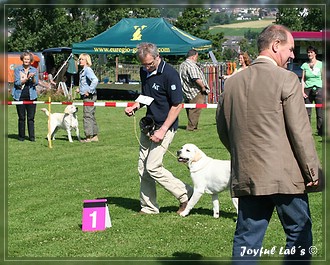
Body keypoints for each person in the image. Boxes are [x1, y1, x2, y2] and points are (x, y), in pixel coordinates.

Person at [216, 25, 322, 264]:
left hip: (247, 174)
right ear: (275, 46)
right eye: (290, 49)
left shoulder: (231, 84)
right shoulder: (287, 79)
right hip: (285, 177)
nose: (293, 55)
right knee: (299, 233)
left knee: (246, 239)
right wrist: (312, 171)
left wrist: (243, 155)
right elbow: (300, 131)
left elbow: (224, 130)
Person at [124, 42, 192, 215]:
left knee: (153, 166)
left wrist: (162, 130)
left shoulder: (170, 74)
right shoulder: (144, 71)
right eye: (143, 64)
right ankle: (149, 207)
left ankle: (186, 194)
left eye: (149, 64)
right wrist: (135, 106)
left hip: (165, 126)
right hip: (149, 124)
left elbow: (177, 105)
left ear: (157, 56)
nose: (146, 68)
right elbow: (147, 95)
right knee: (142, 167)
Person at [179, 49, 210, 131]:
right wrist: (203, 87)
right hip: (195, 91)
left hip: (186, 91)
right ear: (193, 56)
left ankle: (193, 126)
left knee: (190, 109)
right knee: (195, 110)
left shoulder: (183, 64)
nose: (197, 58)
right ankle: (191, 127)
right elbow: (195, 78)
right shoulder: (191, 65)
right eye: (197, 56)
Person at [12, 51, 39, 141]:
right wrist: (26, 79)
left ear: (30, 60)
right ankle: (21, 137)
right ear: (22, 60)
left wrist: (33, 78)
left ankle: (32, 137)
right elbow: (17, 83)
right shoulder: (17, 70)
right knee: (21, 117)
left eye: (28, 59)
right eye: (25, 59)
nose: (26, 60)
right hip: (20, 96)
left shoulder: (34, 70)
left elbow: (36, 83)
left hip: (32, 96)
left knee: (31, 118)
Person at [76, 53, 99, 142]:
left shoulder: (87, 70)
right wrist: (80, 89)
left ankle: (88, 136)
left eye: (82, 59)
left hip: (89, 96)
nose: (80, 61)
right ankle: (94, 135)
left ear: (86, 60)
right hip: (89, 96)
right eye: (80, 59)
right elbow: (85, 83)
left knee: (87, 115)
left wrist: (89, 90)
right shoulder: (83, 70)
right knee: (91, 115)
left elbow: (95, 80)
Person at [301, 45, 323, 136]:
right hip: (307, 89)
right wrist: (302, 91)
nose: (309, 54)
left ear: (315, 53)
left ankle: (320, 131)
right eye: (308, 52)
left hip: (319, 89)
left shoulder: (321, 64)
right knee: (307, 112)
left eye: (311, 52)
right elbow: (303, 79)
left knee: (320, 112)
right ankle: (307, 131)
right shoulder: (305, 65)